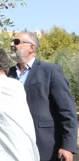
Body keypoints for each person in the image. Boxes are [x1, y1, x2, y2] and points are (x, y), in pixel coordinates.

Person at [7, 32, 78, 161]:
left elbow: (67, 110)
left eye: (17, 42)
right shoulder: (8, 74)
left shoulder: (50, 71)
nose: (12, 44)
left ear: (31, 48)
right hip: (13, 144)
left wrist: (68, 146)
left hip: (45, 145)